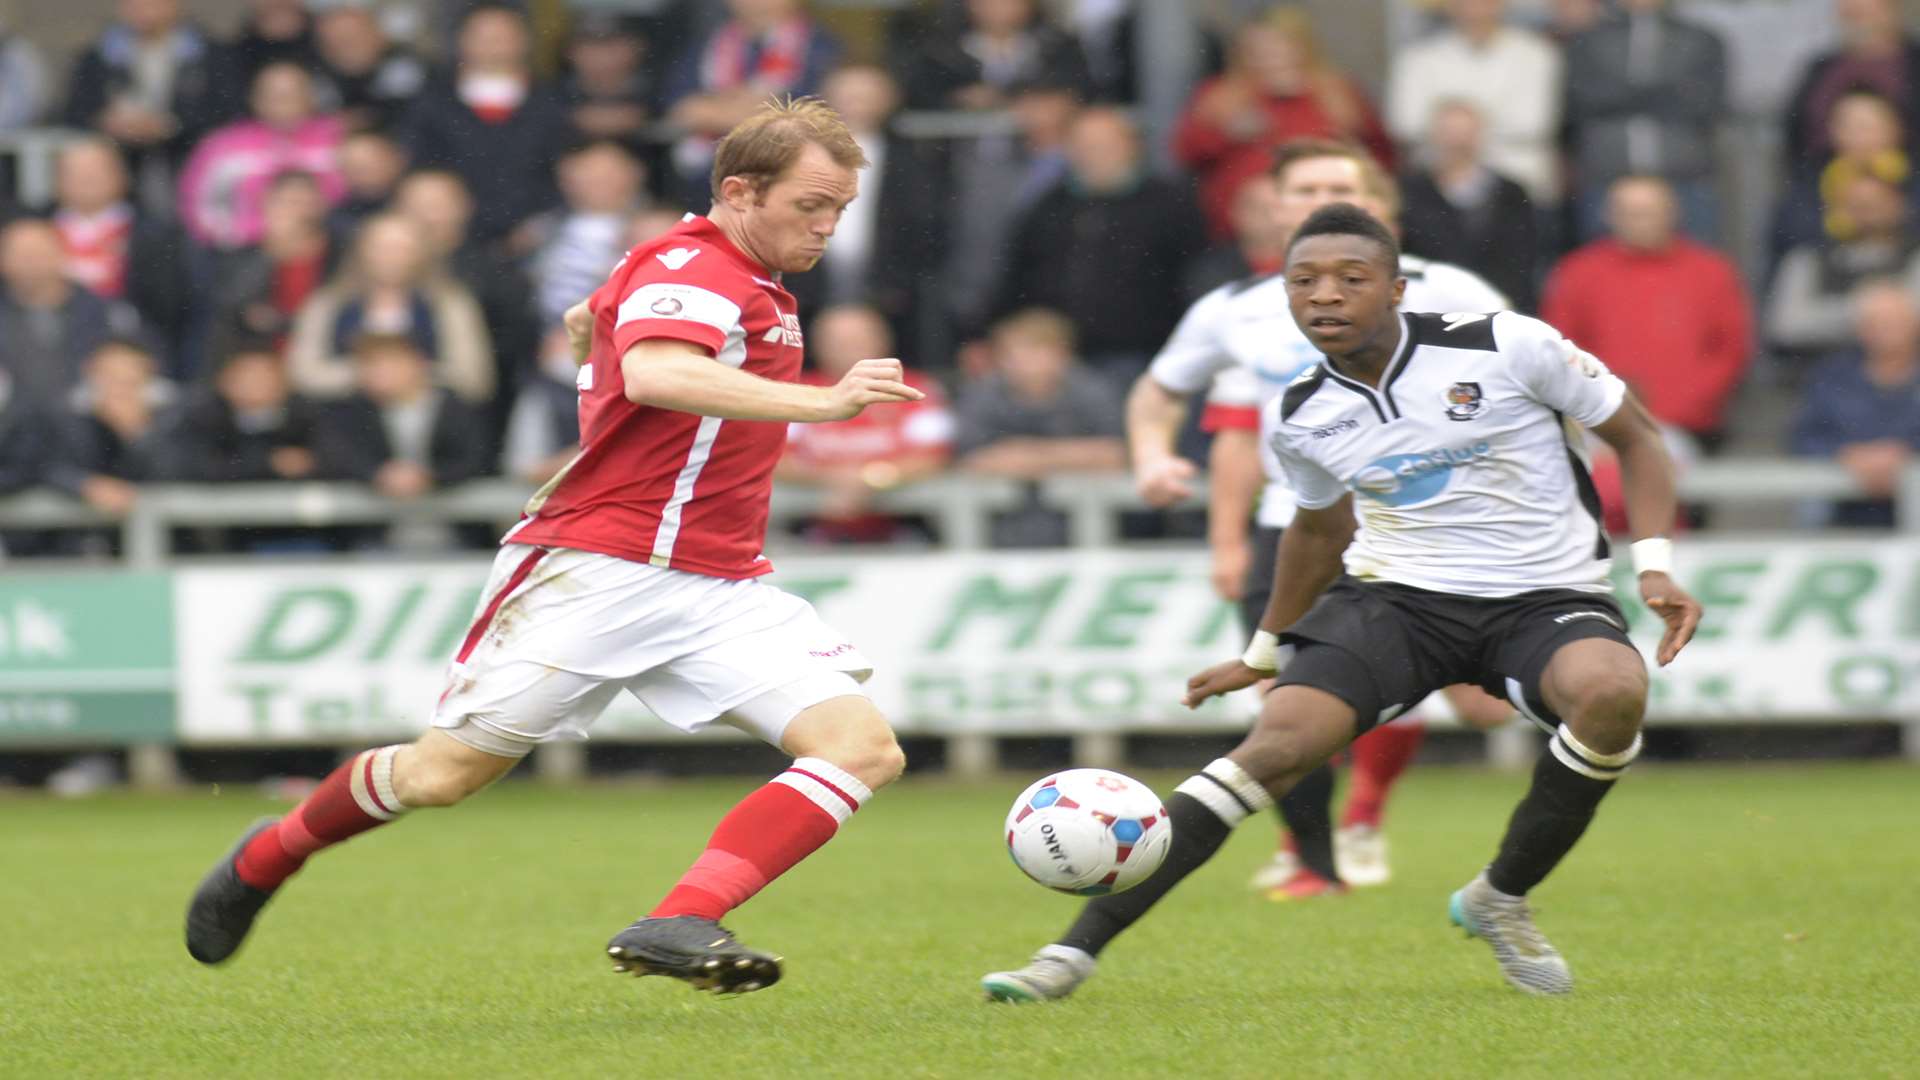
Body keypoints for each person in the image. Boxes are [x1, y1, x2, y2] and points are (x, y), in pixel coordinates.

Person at [186, 97, 921, 996]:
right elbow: (655, 369)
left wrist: (593, 324)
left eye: (841, 207)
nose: (828, 224)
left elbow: (607, 319)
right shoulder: (699, 261)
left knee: (863, 749)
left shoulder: (715, 271)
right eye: (812, 203)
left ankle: (681, 918)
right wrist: (825, 400)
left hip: (718, 585)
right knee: (441, 775)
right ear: (738, 190)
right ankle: (269, 855)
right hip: (600, 570)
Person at [982, 202, 1702, 1002]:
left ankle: (1500, 896)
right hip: (1398, 601)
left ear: (1396, 289)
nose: (1324, 296)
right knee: (1273, 750)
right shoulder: (1299, 411)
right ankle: (1064, 958)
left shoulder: (1507, 345)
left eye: (1350, 280)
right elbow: (1318, 532)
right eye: (1305, 282)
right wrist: (1263, 650)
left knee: (1612, 695)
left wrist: (1656, 566)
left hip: (1544, 596)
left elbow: (1637, 437)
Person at [1126, 137, 1513, 899]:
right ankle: (1316, 863)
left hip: (1426, 522)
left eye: (1341, 185)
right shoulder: (1236, 309)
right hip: (1296, 523)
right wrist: (1151, 456)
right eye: (1303, 188)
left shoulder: (1454, 292)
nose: (1321, 200)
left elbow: (1528, 382)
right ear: (1274, 208)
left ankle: (1367, 808)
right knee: (1285, 697)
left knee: (1482, 707)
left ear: (1379, 206)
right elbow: (1159, 391)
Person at [989, 107, 1206, 387]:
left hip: (1144, 353)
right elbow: (1016, 274)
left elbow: (1193, 276)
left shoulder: (1169, 204)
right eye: (1082, 145)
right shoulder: (1048, 206)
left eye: (1104, 145)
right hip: (1055, 358)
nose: (1093, 154)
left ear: (1132, 146)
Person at [1541, 175, 1751, 448]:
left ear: (1672, 213)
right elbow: (1559, 350)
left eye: (1648, 212)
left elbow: (1730, 351)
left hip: (1687, 429)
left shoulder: (1711, 271)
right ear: (1609, 216)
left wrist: (1679, 410)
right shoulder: (1579, 272)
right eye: (1629, 213)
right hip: (1597, 426)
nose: (1639, 221)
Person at [1172, 7, 1394, 237]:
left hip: (1327, 222)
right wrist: (1226, 133)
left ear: (1303, 47)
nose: (1271, 57)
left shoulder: (1336, 91)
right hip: (1244, 232)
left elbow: (1380, 152)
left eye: (1281, 47)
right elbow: (1185, 152)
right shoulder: (1222, 95)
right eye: (1259, 50)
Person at [777, 304, 953, 542]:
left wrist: (871, 478)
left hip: (906, 529)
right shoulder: (794, 391)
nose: (847, 349)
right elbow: (775, 459)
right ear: (817, 345)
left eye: (857, 340)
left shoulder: (918, 389)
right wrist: (834, 479)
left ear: (882, 340)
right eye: (836, 341)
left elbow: (934, 458)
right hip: (807, 531)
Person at [953, 307, 1126, 547]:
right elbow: (969, 460)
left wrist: (1027, 454)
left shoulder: (1092, 390)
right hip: (1000, 526)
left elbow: (1116, 455)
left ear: (1063, 354)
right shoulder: (983, 394)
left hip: (1085, 525)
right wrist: (1075, 456)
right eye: (1016, 353)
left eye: (1038, 352)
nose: (1027, 363)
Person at [401, 4, 574, 242]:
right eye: (481, 36)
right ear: (460, 40)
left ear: (525, 40)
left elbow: (566, 170)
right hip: (450, 236)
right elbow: (420, 167)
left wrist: (540, 225)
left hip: (539, 237)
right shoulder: (430, 102)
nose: (492, 45)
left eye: (502, 36)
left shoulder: (554, 102)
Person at [286, 213, 495, 406]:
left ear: (422, 253)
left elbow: (474, 378)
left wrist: (412, 376)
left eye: (403, 248)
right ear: (361, 251)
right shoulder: (329, 304)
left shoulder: (449, 303)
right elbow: (301, 374)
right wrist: (366, 375)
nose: (392, 257)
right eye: (382, 247)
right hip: (345, 421)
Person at [1562, 0, 1728, 242]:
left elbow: (1705, 105)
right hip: (1607, 174)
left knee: (1692, 263)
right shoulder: (1588, 41)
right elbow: (1582, 101)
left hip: (1685, 174)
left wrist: (1622, 95)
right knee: (1603, 265)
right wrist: (1665, 92)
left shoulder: (1702, 40)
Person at [63, 0, 238, 211]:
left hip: (190, 165)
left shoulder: (209, 53)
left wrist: (172, 126)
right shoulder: (99, 55)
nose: (143, 8)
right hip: (122, 168)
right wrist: (107, 123)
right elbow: (74, 110)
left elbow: (226, 112)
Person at [1385, 0, 1561, 206]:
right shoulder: (1418, 58)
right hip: (1437, 182)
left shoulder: (1537, 55)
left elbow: (1532, 123)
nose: (1475, 6)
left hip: (1519, 176)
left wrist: (1451, 126)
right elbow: (1406, 123)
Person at [48, 136, 195, 374]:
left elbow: (171, 307)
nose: (87, 179)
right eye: (75, 172)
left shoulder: (157, 235)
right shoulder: (32, 229)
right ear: (56, 179)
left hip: (135, 350)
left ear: (121, 176)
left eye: (96, 170)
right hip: (52, 351)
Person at [176, 61, 347, 250]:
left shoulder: (338, 138)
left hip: (327, 247)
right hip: (245, 251)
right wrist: (255, 232)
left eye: (293, 93)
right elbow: (198, 208)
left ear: (311, 97)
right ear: (255, 99)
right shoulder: (223, 145)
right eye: (273, 94)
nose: (283, 101)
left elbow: (356, 197)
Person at [1791, 279, 1920, 527]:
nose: (1886, 331)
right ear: (1861, 330)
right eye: (1876, 323)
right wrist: (1846, 454)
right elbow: (1804, 436)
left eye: (1895, 322)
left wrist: (1905, 454)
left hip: (1912, 496)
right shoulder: (1832, 376)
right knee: (1811, 494)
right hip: (1843, 503)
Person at [1398, 99, 1540, 313]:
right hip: (1429, 310)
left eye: (1465, 132)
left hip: (1498, 309)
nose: (1457, 141)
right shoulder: (1408, 191)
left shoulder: (1511, 194)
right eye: (1449, 132)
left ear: (1481, 135)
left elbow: (1522, 260)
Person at [1768, 171, 1920, 360]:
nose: (1867, 209)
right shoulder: (1806, 259)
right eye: (1856, 203)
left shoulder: (1916, 257)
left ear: (1900, 205)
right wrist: (1866, 310)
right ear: (1836, 209)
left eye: (1877, 201)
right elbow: (1786, 327)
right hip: (1821, 376)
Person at [0, 218, 143, 412]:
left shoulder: (107, 312)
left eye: (39, 252)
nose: (30, 261)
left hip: (91, 424)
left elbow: (143, 364)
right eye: (20, 254)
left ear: (62, 252)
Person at [1782, 0, 1920, 167]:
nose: (1855, 10)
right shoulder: (1821, 67)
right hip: (1821, 182)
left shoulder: (1912, 64)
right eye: (1849, 9)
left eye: (1866, 8)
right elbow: (1795, 136)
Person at [897, 0, 1093, 112]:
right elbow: (917, 95)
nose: (997, 5)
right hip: (958, 159)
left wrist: (1027, 100)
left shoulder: (1058, 46)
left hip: (1039, 155)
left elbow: (1081, 90)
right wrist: (956, 100)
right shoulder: (940, 50)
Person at [311, 0, 428, 134]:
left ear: (379, 35)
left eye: (353, 38)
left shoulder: (407, 68)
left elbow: (412, 120)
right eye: (334, 41)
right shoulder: (316, 78)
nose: (345, 47)